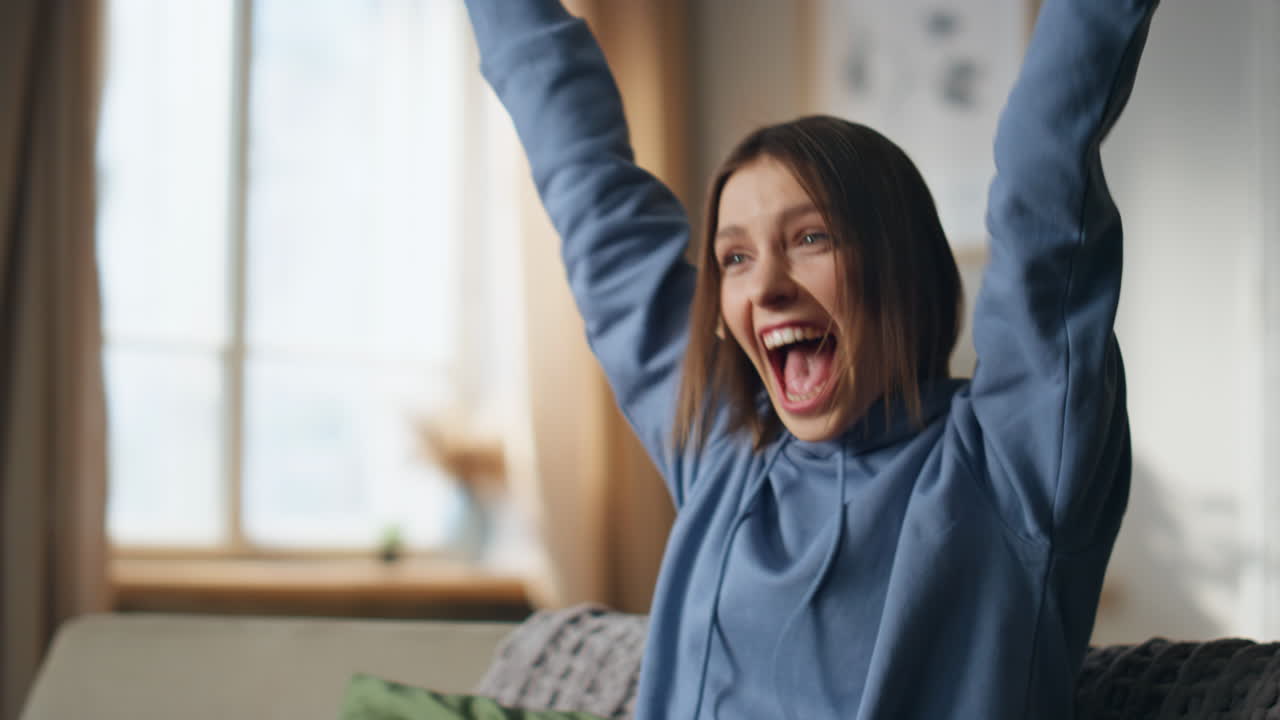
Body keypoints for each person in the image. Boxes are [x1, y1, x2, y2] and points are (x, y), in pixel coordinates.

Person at [464, 0, 1157, 717]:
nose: (764, 286)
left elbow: (1044, 170)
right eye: (734, 256)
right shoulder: (724, 454)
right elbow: (590, 191)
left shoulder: (1010, 462)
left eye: (810, 239)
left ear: (902, 266)